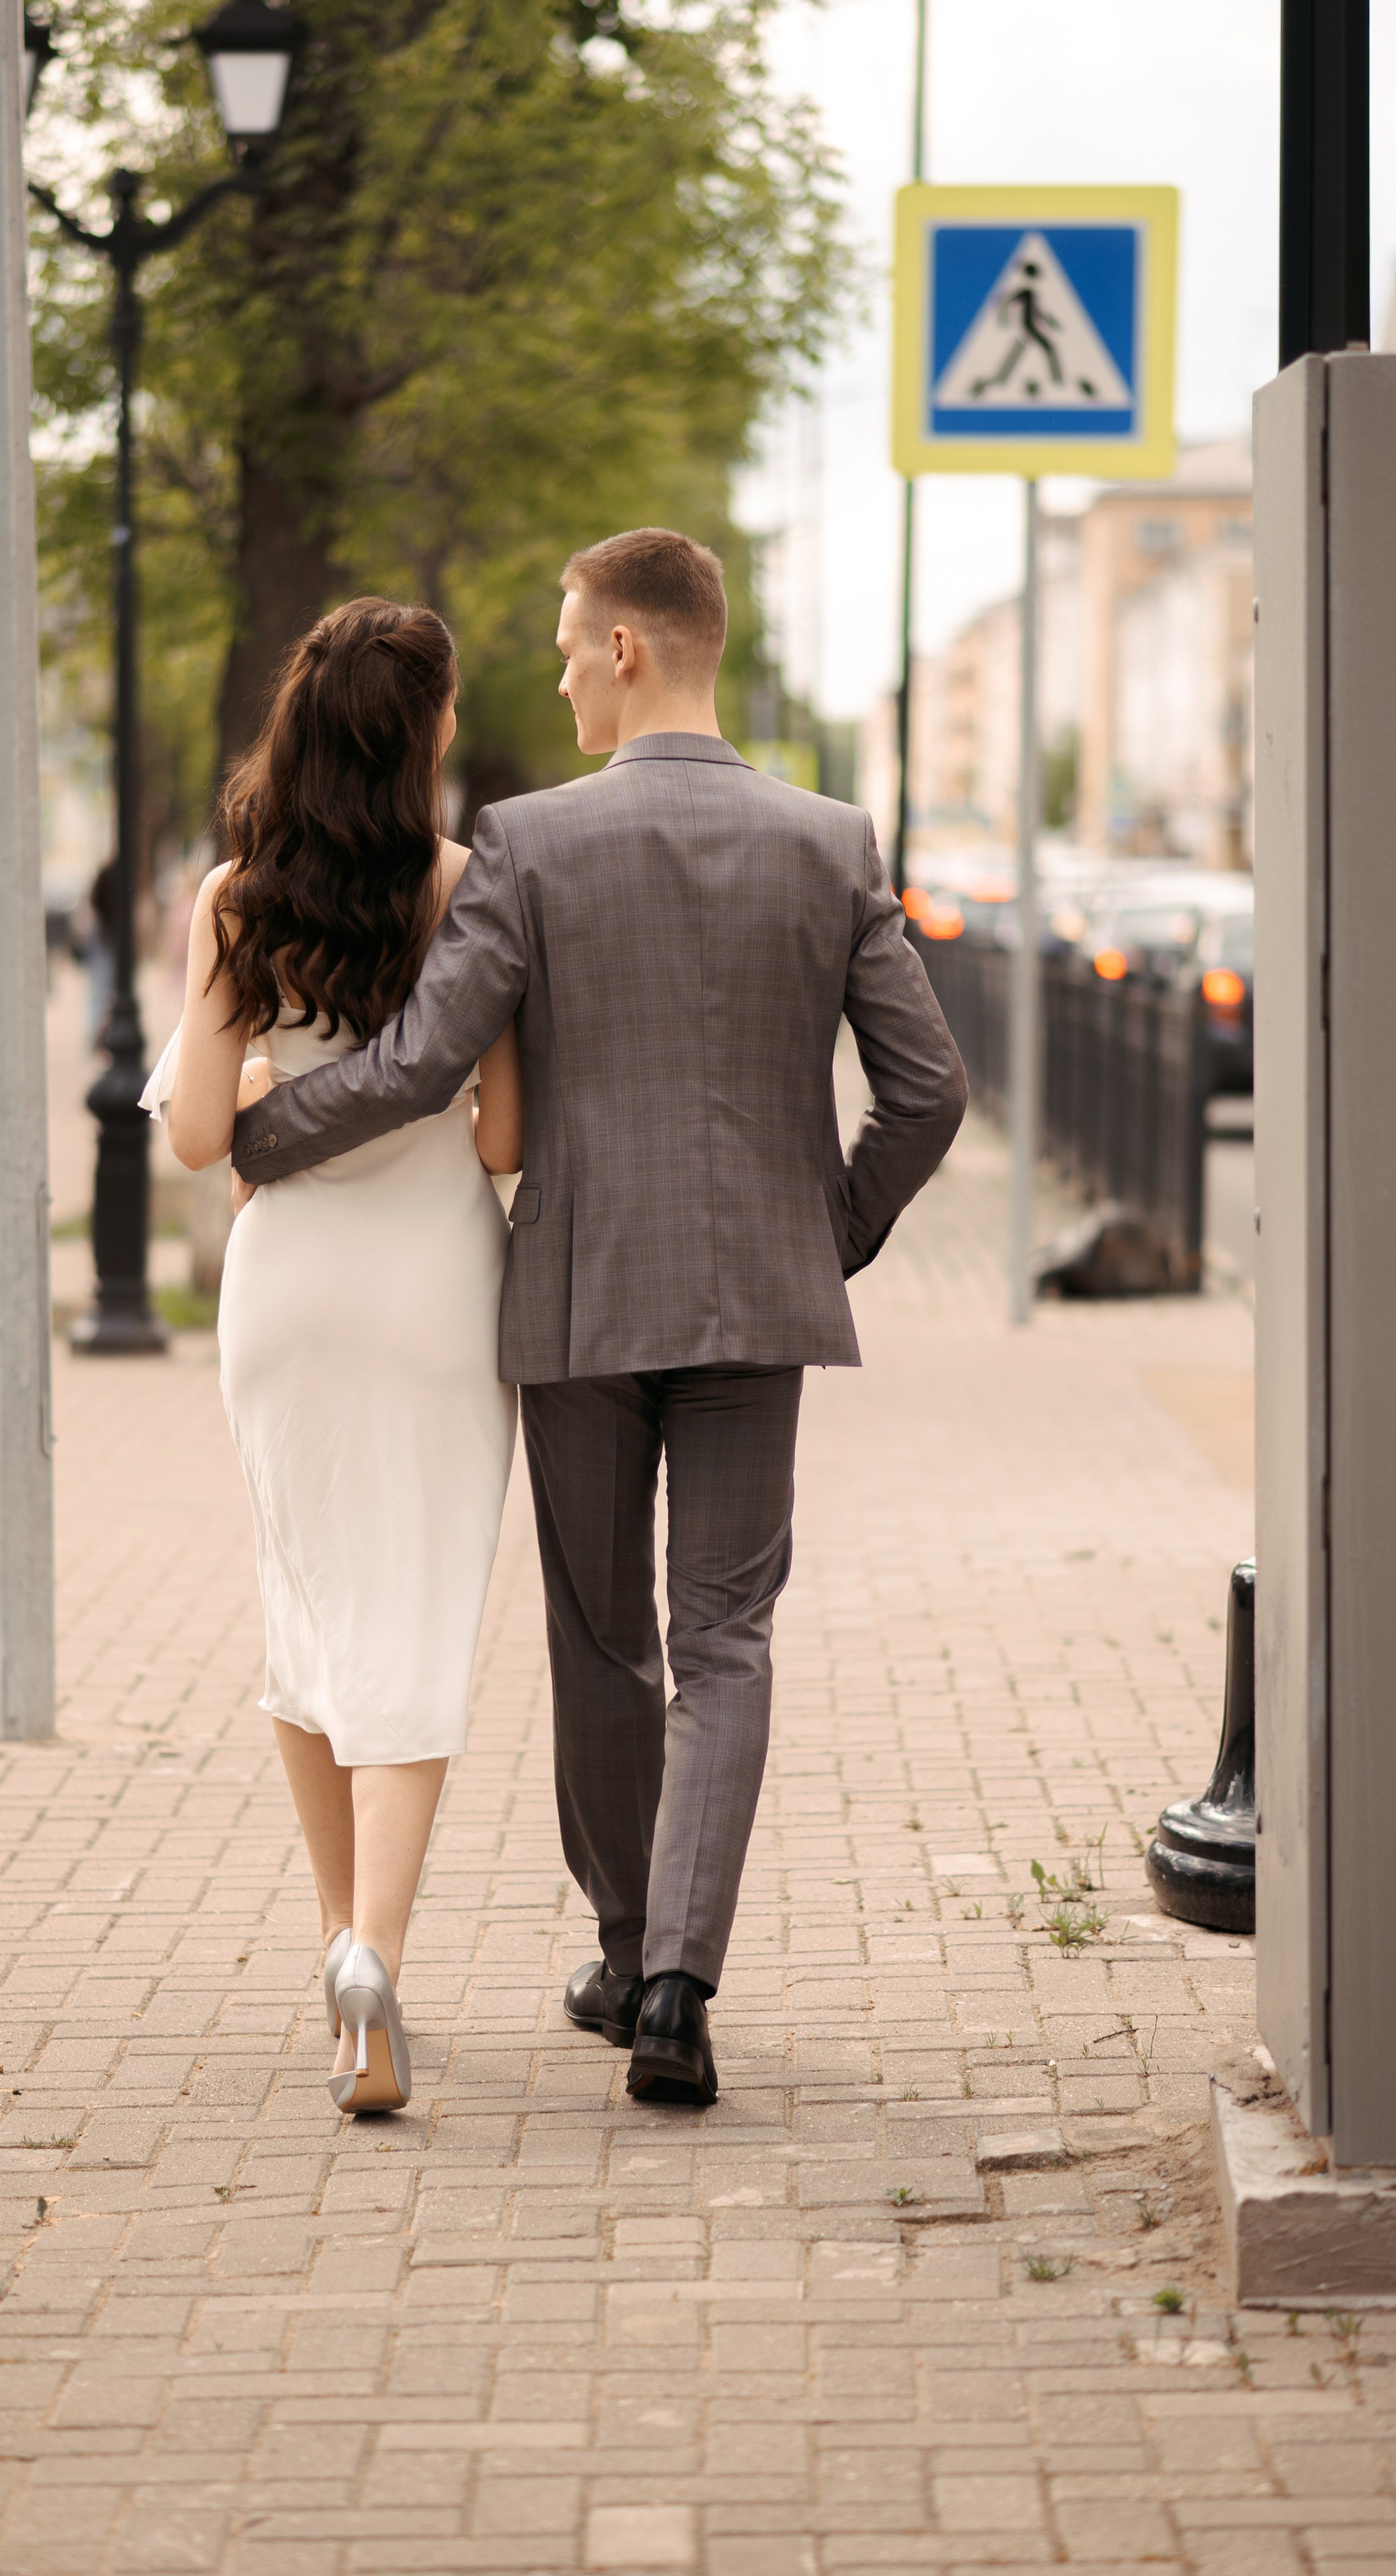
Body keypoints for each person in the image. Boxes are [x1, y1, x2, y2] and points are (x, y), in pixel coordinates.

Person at [231, 529, 966, 2108]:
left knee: (603, 1642)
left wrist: (262, 1136)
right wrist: (819, 1233)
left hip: (572, 1297)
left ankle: (631, 1950)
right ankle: (678, 1993)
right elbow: (928, 1090)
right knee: (726, 1638)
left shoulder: (529, 845)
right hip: (752, 1305)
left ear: (630, 649)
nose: (558, 668)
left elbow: (424, 1064)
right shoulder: (829, 839)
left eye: (570, 641)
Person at [142, 599, 523, 2115]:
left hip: (284, 1293)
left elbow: (188, 1139)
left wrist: (246, 1075)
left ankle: (338, 1955)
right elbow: (501, 1134)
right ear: (420, 734)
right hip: (433, 1291)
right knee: (413, 1620)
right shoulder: (468, 891)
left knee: (306, 1619)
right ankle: (371, 1950)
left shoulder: (232, 899)